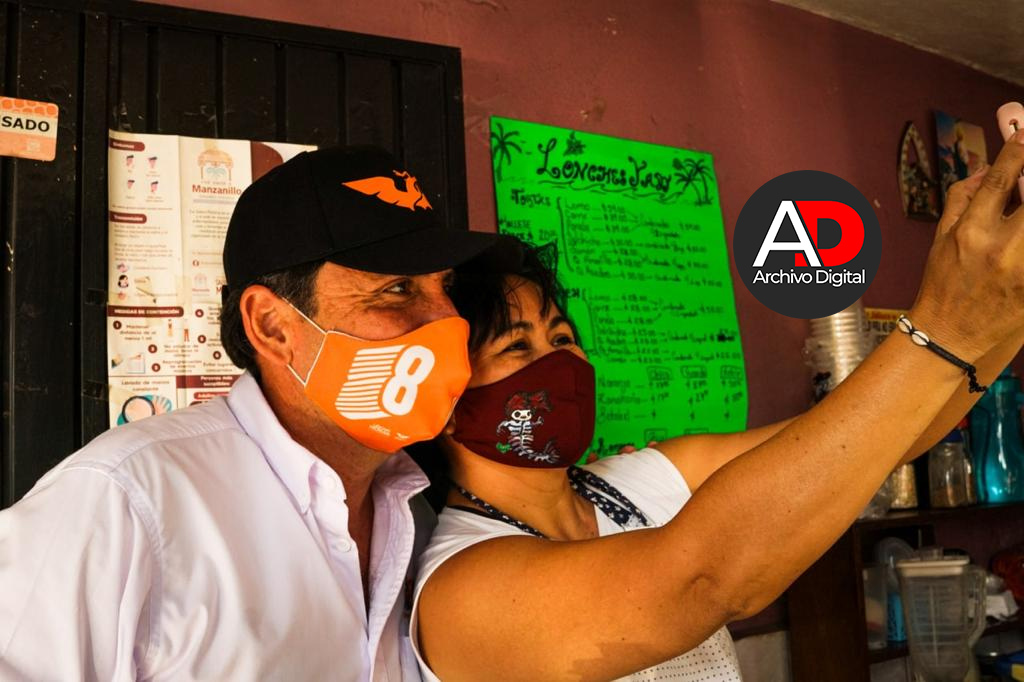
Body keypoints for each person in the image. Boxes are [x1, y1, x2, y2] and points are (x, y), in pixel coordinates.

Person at [410, 135, 1024, 681]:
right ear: (447, 402)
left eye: (563, 337)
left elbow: (883, 436)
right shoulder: (459, 591)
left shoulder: (635, 482)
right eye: (517, 347)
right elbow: (704, 581)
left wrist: (1008, 305)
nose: (558, 363)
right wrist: (944, 324)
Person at [0, 145, 514, 680]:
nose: (449, 320)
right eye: (398, 289)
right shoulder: (124, 500)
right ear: (272, 326)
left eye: (445, 287)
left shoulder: (417, 512)